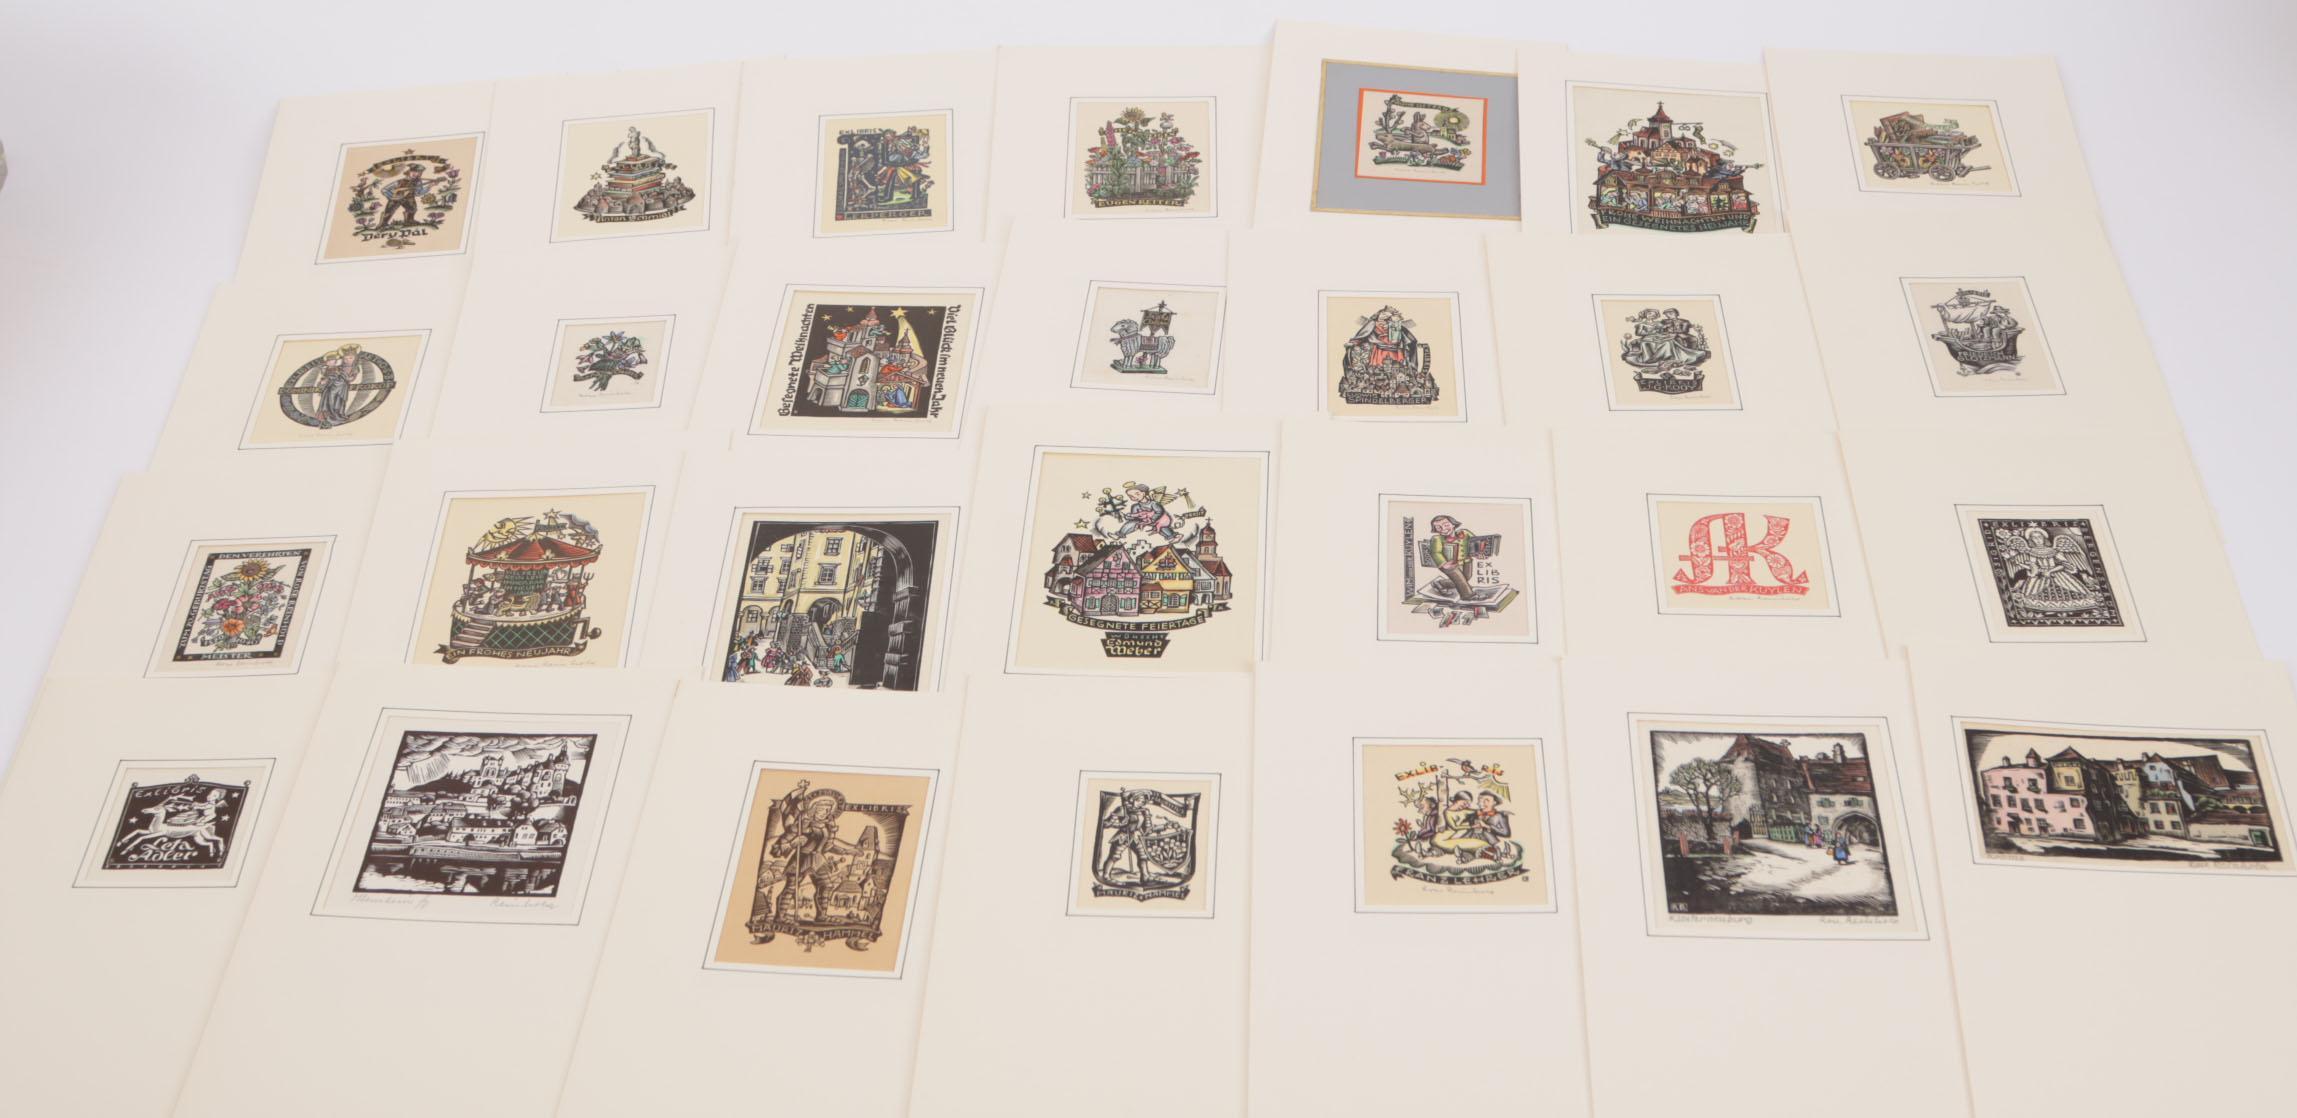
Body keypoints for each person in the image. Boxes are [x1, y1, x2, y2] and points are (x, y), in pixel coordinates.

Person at [1431, 791, 1493, 864]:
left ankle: (1471, 853)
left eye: (1468, 804)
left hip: (1455, 836)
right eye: (1464, 803)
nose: (1466, 805)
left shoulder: (1465, 811)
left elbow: (1481, 811)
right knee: (1437, 841)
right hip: (1444, 836)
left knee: (1478, 843)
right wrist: (1471, 826)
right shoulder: (1447, 812)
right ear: (1457, 801)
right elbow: (1454, 827)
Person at [1426, 515, 1478, 599]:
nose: (1443, 529)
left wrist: (1479, 553)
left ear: (1453, 524)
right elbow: (1435, 553)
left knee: (1466, 577)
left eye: (1446, 525)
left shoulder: (1465, 533)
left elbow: (1476, 542)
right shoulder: (1437, 539)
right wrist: (1443, 564)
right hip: (1448, 563)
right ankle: (1468, 596)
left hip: (1466, 560)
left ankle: (1440, 583)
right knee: (1460, 579)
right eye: (1438, 527)